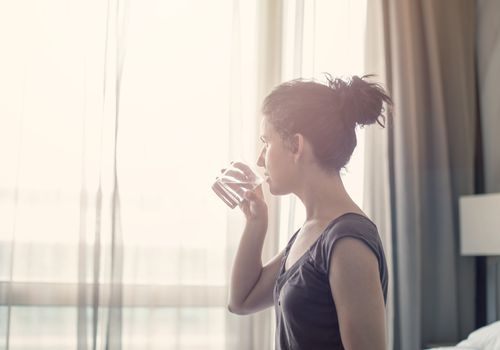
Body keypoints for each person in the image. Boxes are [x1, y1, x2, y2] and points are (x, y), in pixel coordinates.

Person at [225, 74, 392, 350]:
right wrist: (256, 221)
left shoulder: (347, 240)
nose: (259, 159)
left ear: (296, 145)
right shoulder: (311, 233)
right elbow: (241, 301)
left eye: (266, 142)